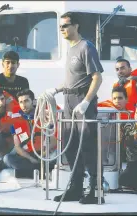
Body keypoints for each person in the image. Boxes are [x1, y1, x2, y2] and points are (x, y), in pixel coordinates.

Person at [43, 12, 104, 204]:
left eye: (65, 26)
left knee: (87, 145)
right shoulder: (70, 49)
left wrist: (86, 102)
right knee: (70, 145)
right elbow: (72, 79)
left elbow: (97, 77)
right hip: (69, 99)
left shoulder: (86, 47)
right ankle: (76, 187)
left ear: (76, 26)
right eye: (60, 26)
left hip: (82, 100)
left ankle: (95, 190)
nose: (62, 29)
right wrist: (56, 89)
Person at [3, 89, 57, 177]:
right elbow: (17, 147)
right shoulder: (15, 120)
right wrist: (31, 158)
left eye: (26, 101)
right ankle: (41, 171)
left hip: (45, 154)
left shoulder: (44, 115)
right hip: (29, 156)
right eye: (21, 102)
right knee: (7, 159)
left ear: (33, 101)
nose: (23, 105)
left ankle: (30, 171)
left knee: (58, 154)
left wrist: (42, 155)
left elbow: (54, 140)